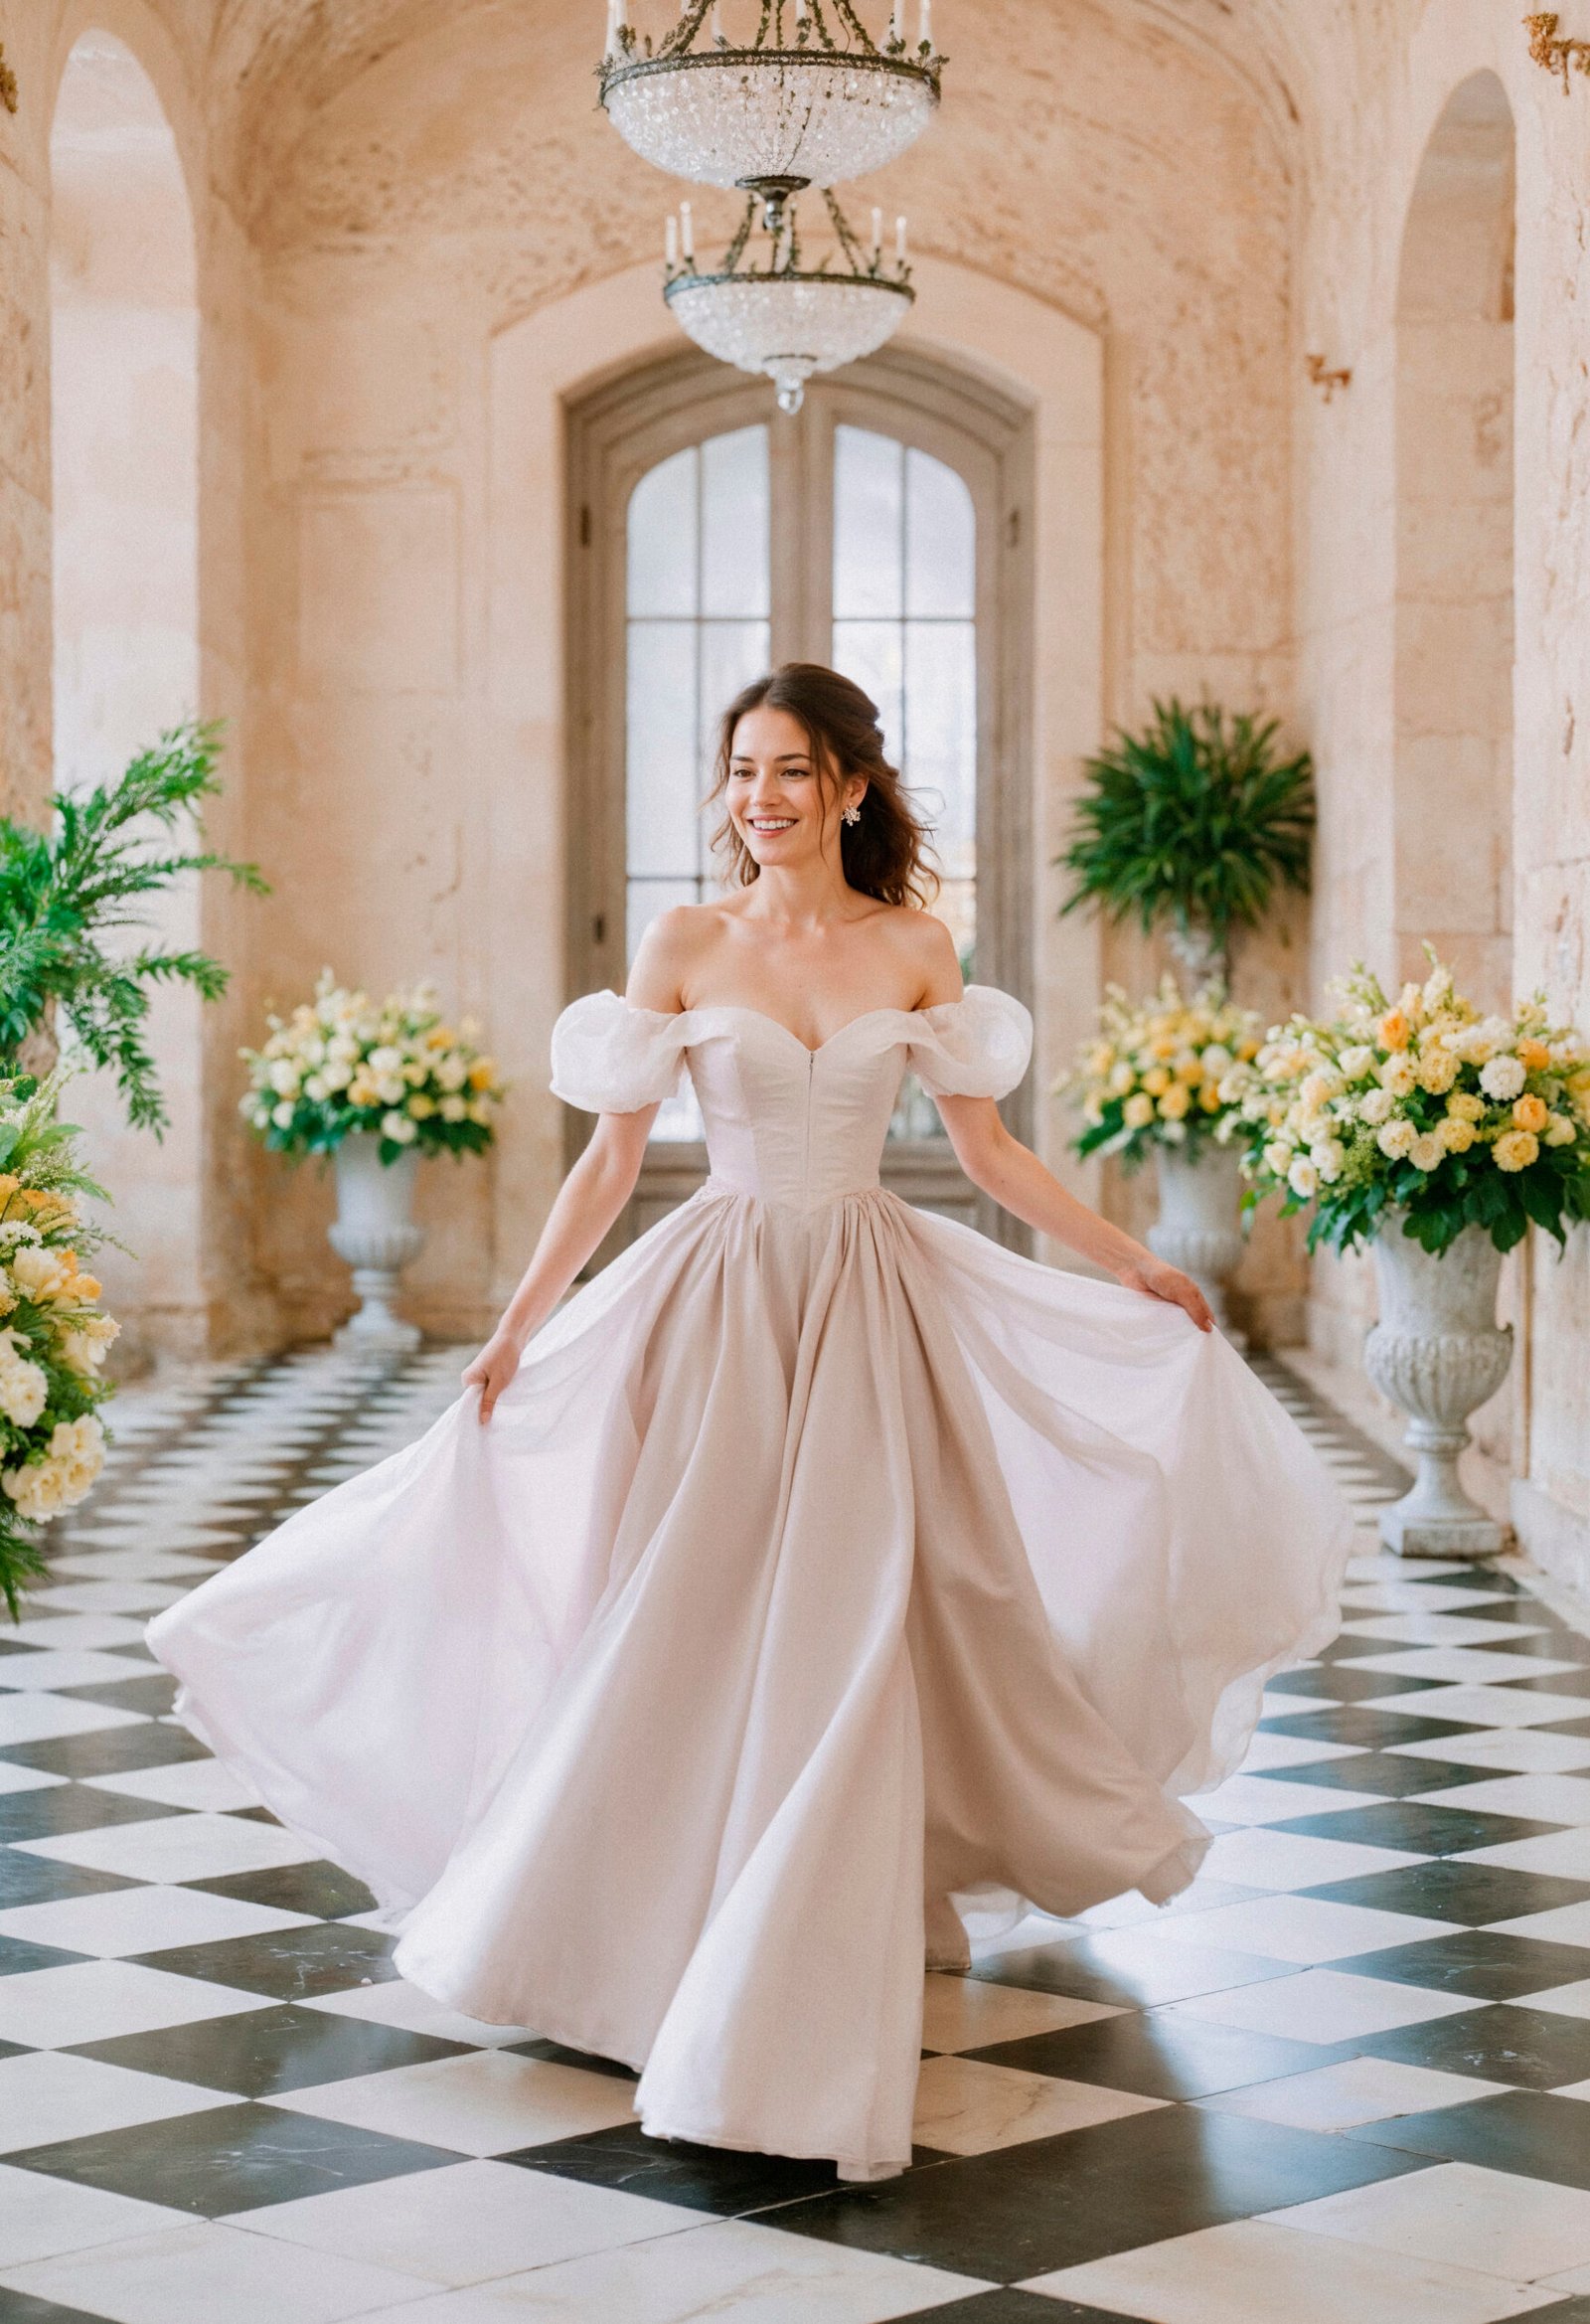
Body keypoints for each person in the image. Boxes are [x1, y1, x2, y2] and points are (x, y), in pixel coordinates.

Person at [149, 662, 1353, 2185]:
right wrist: (514, 1325)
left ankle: (809, 1930)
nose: (758, 799)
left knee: (874, 1608)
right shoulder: (685, 939)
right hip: (718, 1305)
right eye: (740, 772)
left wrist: (1131, 1258)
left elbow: (987, 1155)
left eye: (789, 770)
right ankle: (634, 1909)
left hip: (866, 1300)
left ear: (850, 783)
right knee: (690, 1609)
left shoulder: (917, 945)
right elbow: (606, 1167)